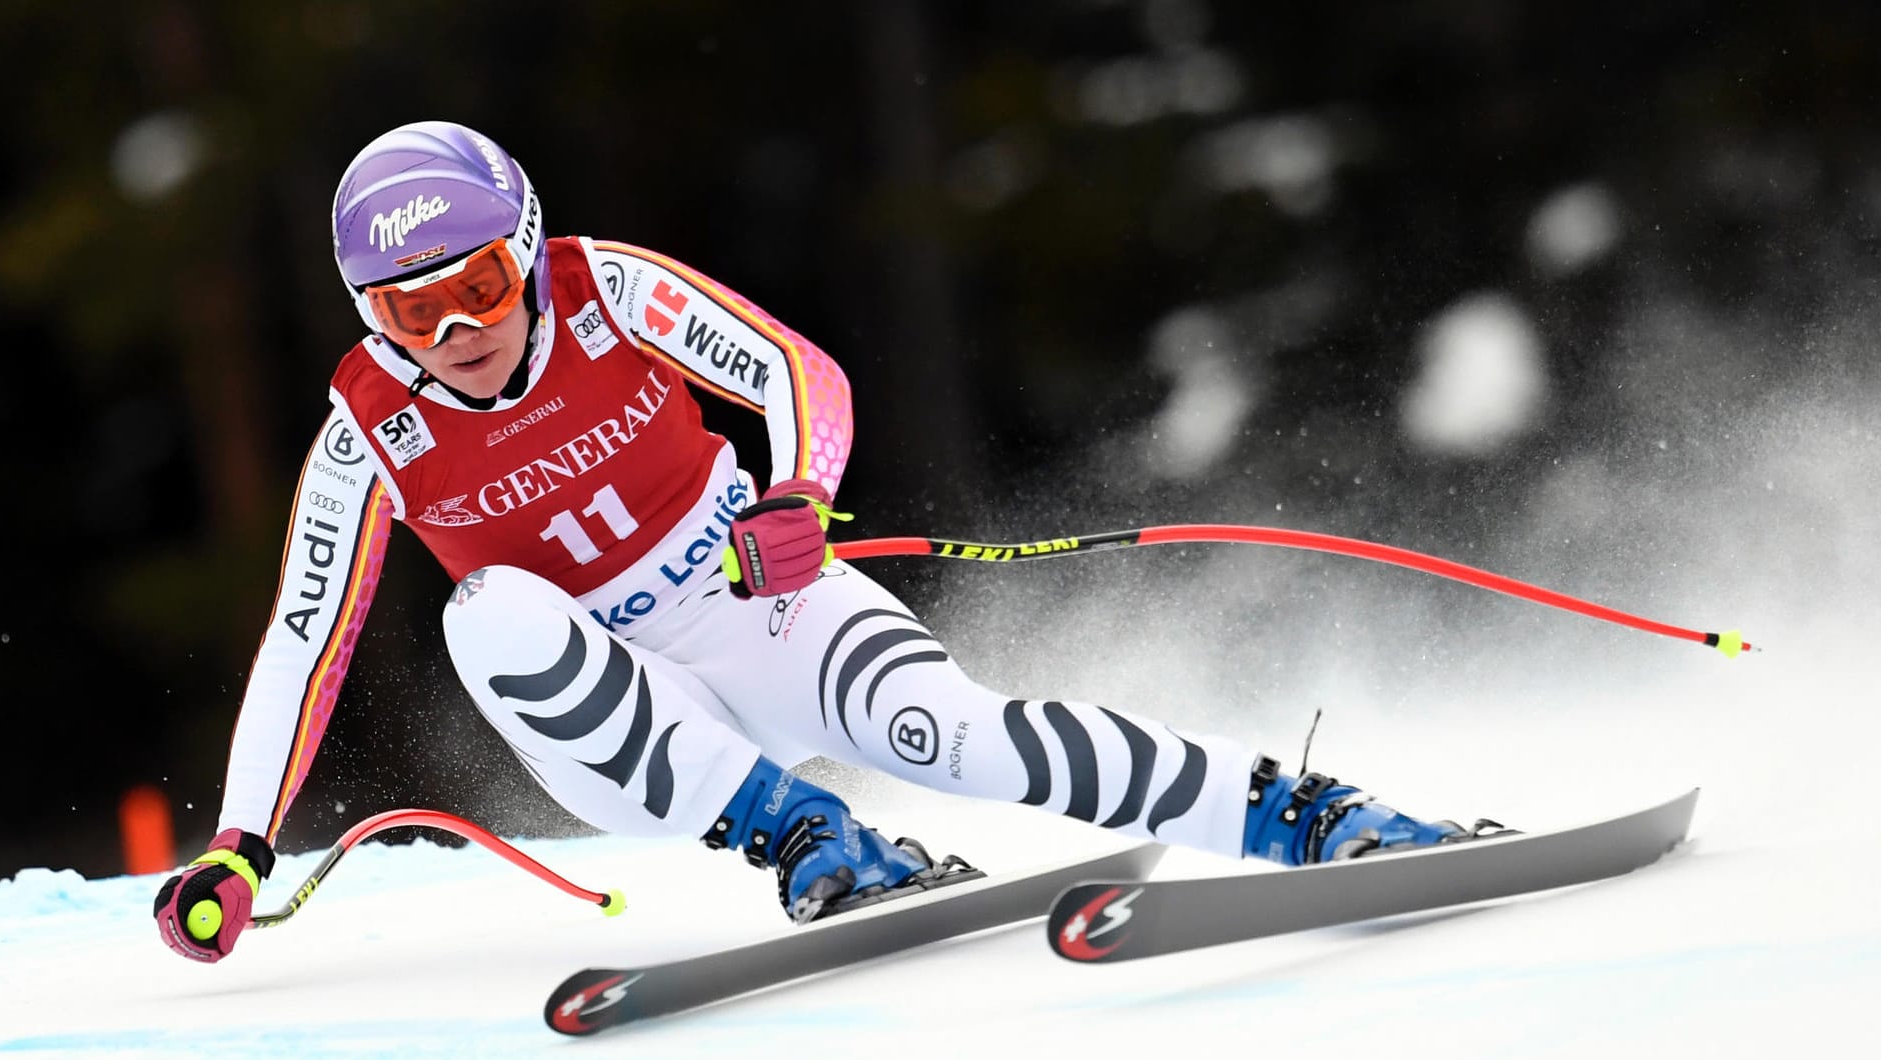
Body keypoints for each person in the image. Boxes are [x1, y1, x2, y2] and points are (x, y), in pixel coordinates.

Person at [153, 121, 1483, 964]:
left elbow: (799, 373)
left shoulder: (606, 288)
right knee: (485, 613)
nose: (459, 337)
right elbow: (303, 637)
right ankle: (806, 839)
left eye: (482, 288)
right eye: (410, 311)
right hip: (622, 714)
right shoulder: (364, 431)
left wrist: (797, 494)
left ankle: (1314, 816)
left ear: (529, 246)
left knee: (965, 741)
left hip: (753, 600)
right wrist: (238, 844)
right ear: (367, 314)